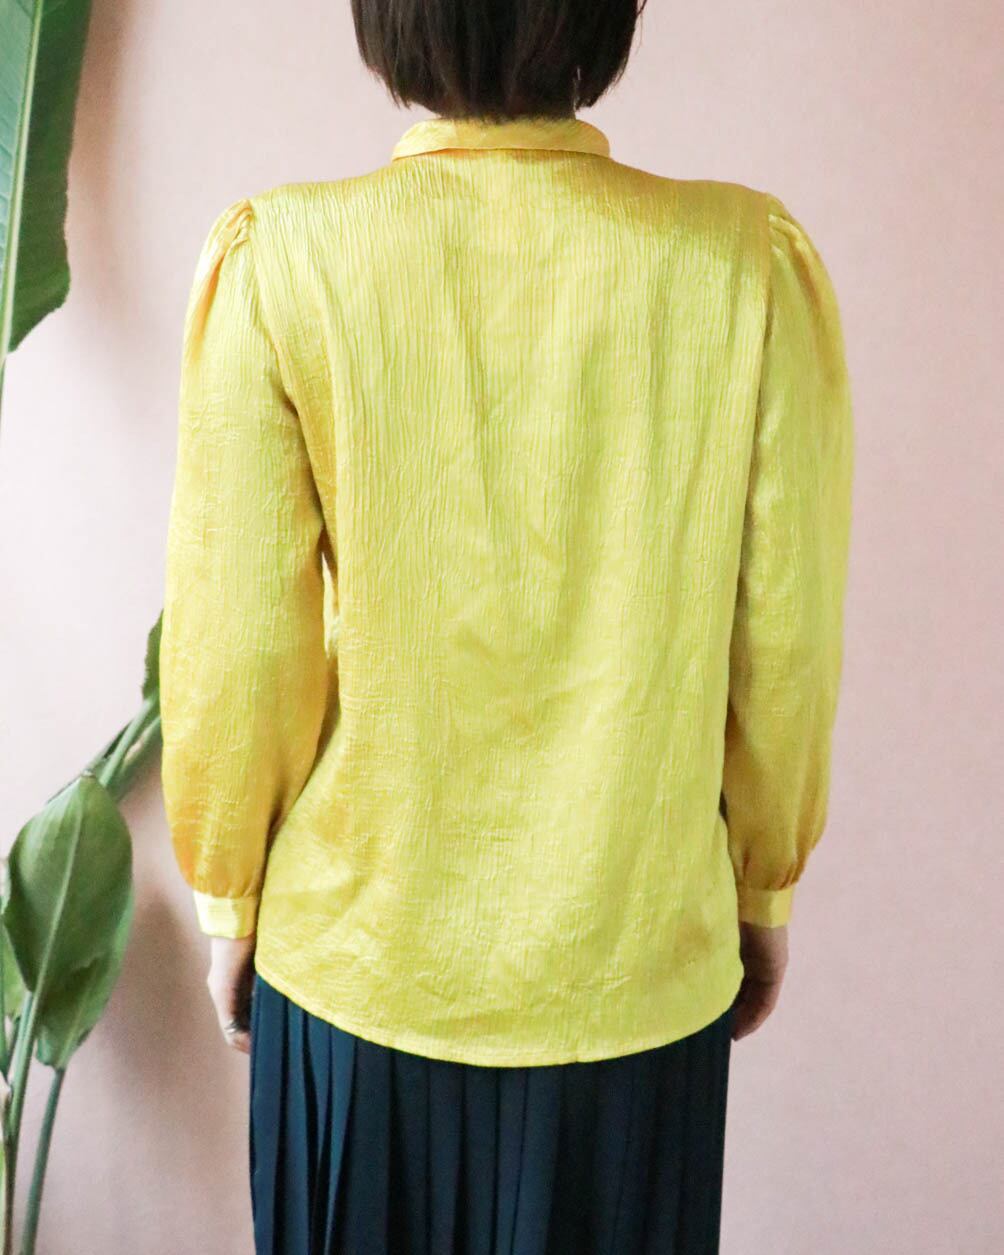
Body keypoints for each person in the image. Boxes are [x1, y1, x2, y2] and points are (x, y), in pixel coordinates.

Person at [159, 0, 854, 1250]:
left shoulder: (284, 260)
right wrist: (762, 885)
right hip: (635, 975)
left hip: (356, 974)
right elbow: (785, 643)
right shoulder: (743, 263)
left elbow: (241, 650)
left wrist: (231, 903)